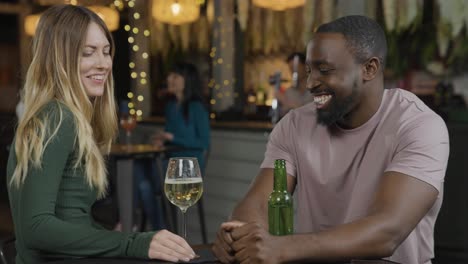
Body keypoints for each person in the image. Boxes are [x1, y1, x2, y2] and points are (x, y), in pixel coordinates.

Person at [212, 15, 449, 264]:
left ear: (369, 68)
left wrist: (283, 248)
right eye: (308, 71)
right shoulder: (294, 125)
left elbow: (387, 232)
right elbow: (257, 203)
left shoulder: (419, 126)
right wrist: (240, 235)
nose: (311, 83)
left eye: (324, 70)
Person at [6, 5, 195, 263]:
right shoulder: (56, 117)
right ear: (60, 59)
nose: (103, 63)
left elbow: (72, 220)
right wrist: (132, 242)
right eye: (88, 53)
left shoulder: (68, 117)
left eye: (106, 52)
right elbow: (35, 229)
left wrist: (128, 238)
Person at [135, 62, 210, 231]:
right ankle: (162, 232)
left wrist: (172, 137)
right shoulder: (170, 107)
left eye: (175, 76)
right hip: (169, 164)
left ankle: (157, 230)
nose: (169, 79)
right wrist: (163, 140)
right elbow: (170, 137)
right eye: (170, 75)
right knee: (143, 183)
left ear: (187, 81)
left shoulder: (196, 107)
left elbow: (203, 142)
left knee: (148, 179)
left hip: (190, 168)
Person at [276, 52, 313, 117]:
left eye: (296, 67)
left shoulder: (317, 91)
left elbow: (312, 115)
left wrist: (287, 102)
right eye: (291, 69)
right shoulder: (289, 92)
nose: (293, 72)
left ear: (306, 67)